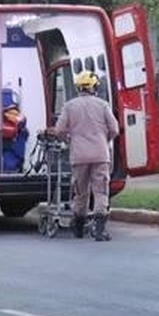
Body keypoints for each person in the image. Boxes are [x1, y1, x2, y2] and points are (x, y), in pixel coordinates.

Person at [50, 71, 119, 241]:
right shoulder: (103, 105)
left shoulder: (69, 106)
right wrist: (104, 139)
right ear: (94, 87)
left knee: (81, 192)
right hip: (100, 154)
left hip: (79, 155)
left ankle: (79, 227)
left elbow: (58, 130)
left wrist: (68, 140)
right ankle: (100, 230)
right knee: (101, 191)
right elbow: (115, 129)